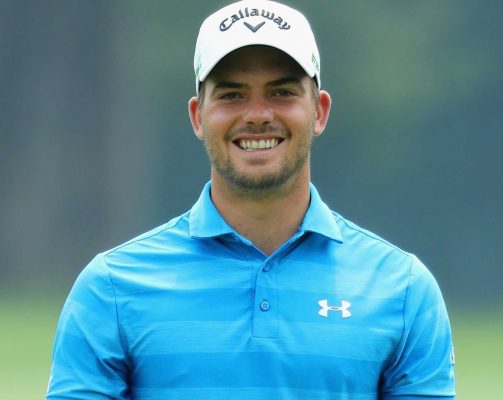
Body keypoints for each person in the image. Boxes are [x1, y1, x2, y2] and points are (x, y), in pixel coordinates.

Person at [46, 1, 456, 399]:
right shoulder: (112, 288)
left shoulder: (401, 289)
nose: (258, 114)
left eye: (281, 92)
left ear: (319, 111)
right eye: (231, 95)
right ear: (197, 116)